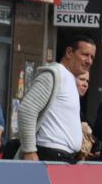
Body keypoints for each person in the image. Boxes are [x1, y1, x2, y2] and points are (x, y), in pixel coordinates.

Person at [18, 34, 96, 163]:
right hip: (52, 156)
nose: (89, 61)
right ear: (69, 52)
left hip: (64, 158)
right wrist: (30, 151)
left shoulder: (69, 78)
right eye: (85, 55)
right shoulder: (53, 74)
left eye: (92, 57)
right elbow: (27, 110)